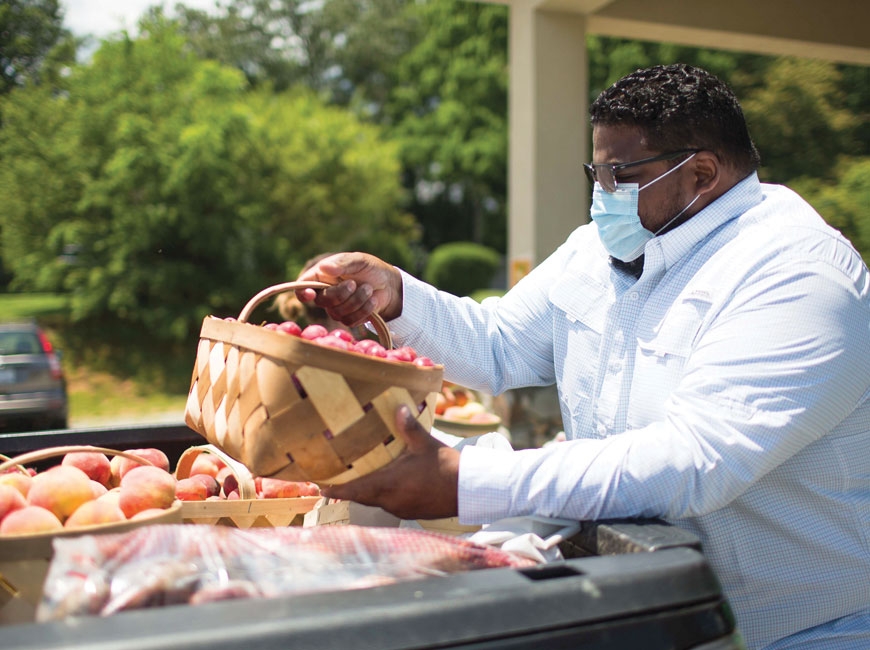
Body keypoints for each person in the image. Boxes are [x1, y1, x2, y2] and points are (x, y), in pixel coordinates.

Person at [297, 64, 870, 650]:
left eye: (621, 175)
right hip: (652, 611)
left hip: (800, 634)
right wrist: (396, 297)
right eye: (596, 173)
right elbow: (498, 345)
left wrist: (462, 479)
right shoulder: (597, 251)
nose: (603, 197)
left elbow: (693, 461)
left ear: (701, 172)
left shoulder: (796, 273)